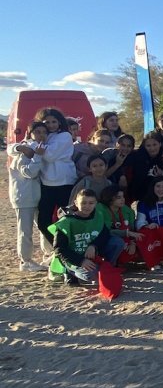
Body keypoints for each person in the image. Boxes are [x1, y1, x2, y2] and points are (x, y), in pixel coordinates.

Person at [48, 188, 124, 285]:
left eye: (91, 203)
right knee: (91, 274)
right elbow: (59, 248)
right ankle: (69, 272)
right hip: (74, 257)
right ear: (76, 203)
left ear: (96, 203)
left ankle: (106, 267)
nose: (87, 206)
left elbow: (104, 235)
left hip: (91, 254)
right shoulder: (66, 222)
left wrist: (93, 245)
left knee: (117, 243)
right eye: (83, 203)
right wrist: (81, 261)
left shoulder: (98, 216)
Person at [34, 108, 77, 248]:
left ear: (60, 122)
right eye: (47, 122)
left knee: (67, 219)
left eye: (54, 121)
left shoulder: (65, 135)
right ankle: (60, 248)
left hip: (65, 183)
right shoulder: (44, 136)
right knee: (44, 222)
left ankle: (70, 248)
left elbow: (49, 156)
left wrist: (39, 146)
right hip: (47, 184)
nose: (51, 125)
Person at [9, 121, 49, 271]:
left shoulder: (40, 149)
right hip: (24, 197)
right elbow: (29, 172)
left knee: (43, 227)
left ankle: (47, 255)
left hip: (38, 196)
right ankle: (25, 261)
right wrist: (37, 157)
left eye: (44, 132)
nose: (41, 135)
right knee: (25, 230)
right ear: (30, 133)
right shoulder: (24, 152)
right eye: (37, 132)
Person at [124, 131, 163, 205]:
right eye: (148, 145)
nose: (152, 148)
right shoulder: (137, 157)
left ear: (160, 144)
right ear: (144, 146)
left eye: (154, 144)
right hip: (143, 197)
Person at [98, 186, 142, 265]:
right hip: (104, 239)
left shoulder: (127, 210)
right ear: (110, 198)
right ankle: (110, 265)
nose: (123, 199)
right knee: (118, 242)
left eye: (123, 196)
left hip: (126, 239)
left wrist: (133, 243)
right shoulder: (101, 209)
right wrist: (127, 233)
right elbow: (105, 231)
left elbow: (132, 229)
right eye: (118, 197)